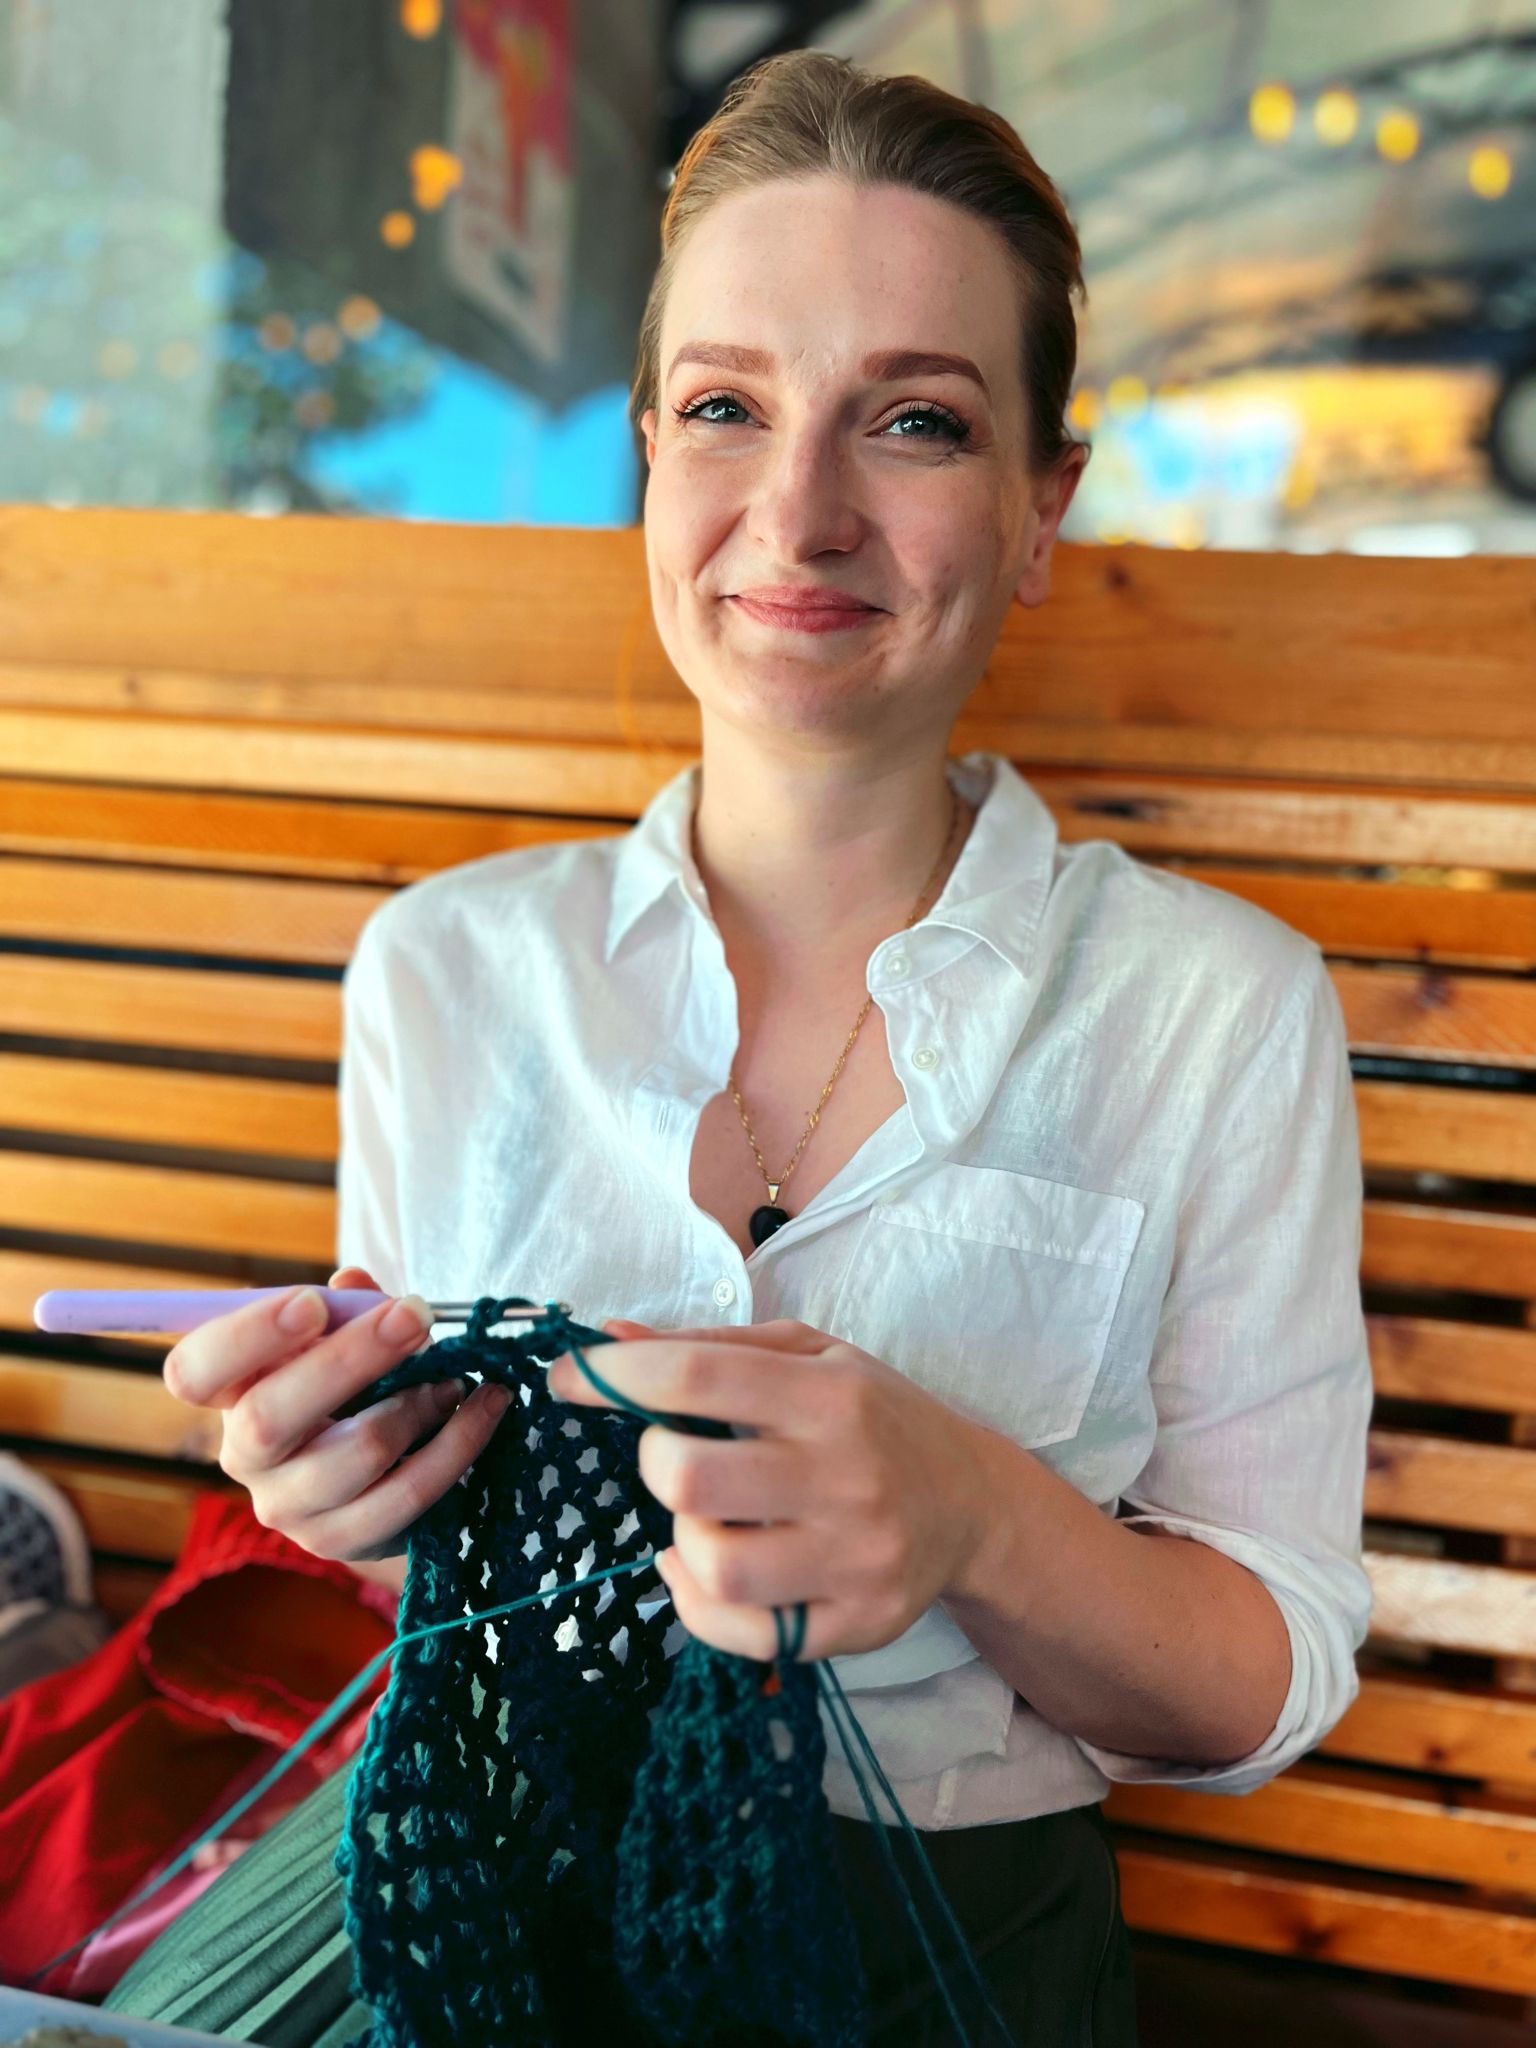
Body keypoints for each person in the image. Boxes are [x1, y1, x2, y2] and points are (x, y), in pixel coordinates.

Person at [117, 46, 1373, 2048]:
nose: (799, 511)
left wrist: (971, 1512)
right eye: (726, 407)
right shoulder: (442, 968)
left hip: (944, 1952)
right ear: (648, 456)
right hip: (485, 1897)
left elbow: (1265, 1673)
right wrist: (343, 1490)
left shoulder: (1216, 1007)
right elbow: (417, 1560)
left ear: (1040, 509)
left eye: (915, 420)